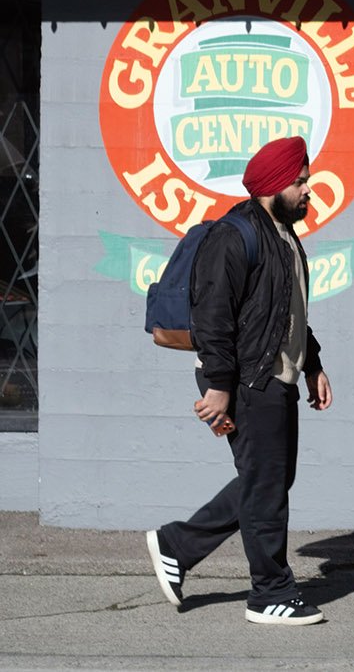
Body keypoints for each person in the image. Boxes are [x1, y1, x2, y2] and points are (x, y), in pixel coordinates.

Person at [142, 135, 335, 625]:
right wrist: (220, 386)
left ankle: (177, 545)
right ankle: (269, 591)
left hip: (276, 376)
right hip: (249, 381)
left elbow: (287, 314)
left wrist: (312, 365)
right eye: (300, 181)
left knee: (268, 479)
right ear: (274, 186)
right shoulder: (235, 236)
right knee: (267, 485)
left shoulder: (283, 235)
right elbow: (213, 319)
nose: (308, 189)